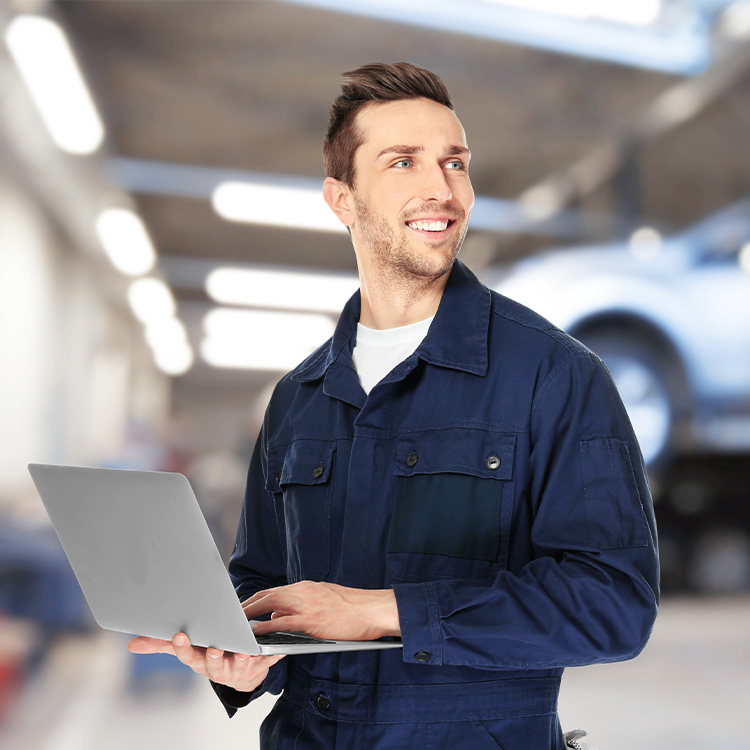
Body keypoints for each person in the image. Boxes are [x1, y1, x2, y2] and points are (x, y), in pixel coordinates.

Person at [129, 62, 659, 749]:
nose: (441, 188)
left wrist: (380, 611)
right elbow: (261, 580)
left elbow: (613, 605)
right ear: (341, 199)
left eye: (455, 163)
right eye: (403, 162)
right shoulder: (299, 397)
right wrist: (240, 660)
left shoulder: (555, 376)